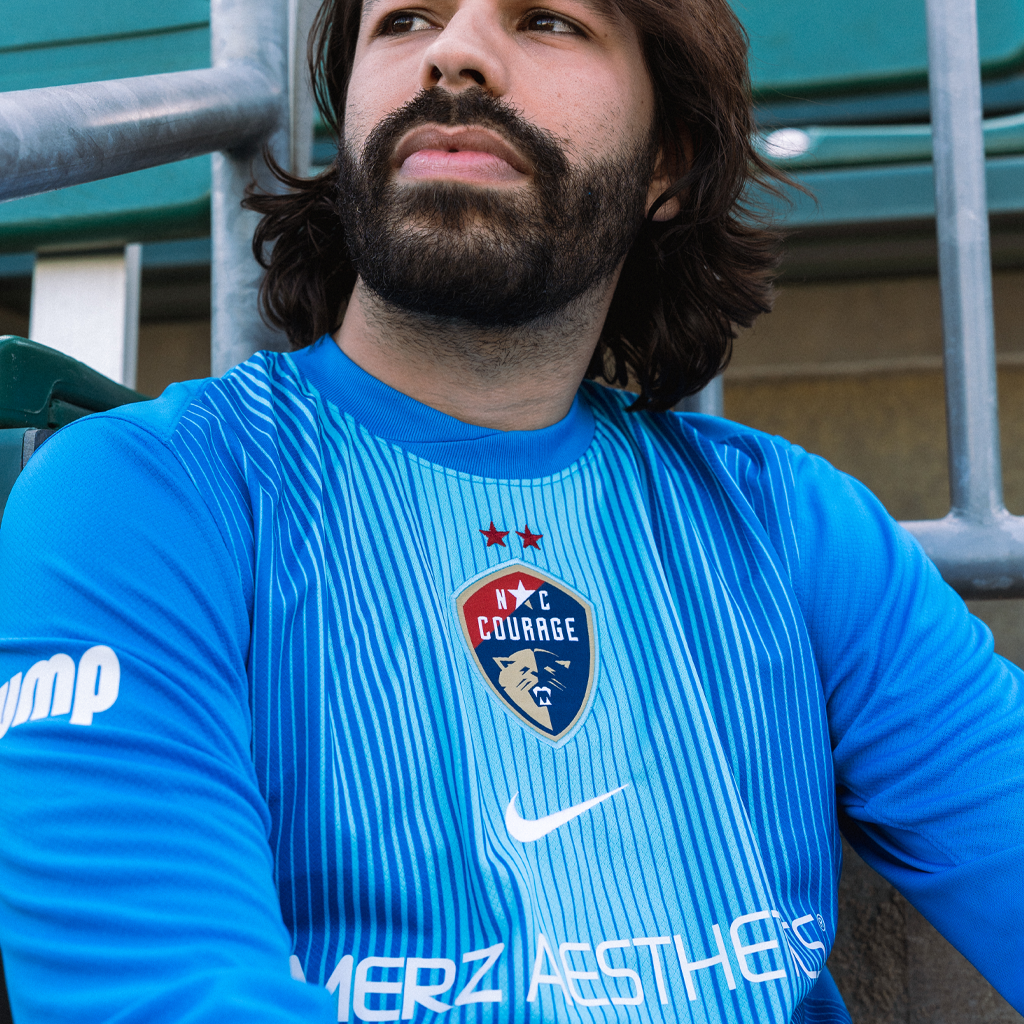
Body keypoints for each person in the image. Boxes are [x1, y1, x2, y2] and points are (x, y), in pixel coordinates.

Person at [0, 0, 1022, 1017]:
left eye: (545, 20)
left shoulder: (793, 526)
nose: (453, 55)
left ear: (667, 160)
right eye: (403, 21)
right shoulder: (144, 499)